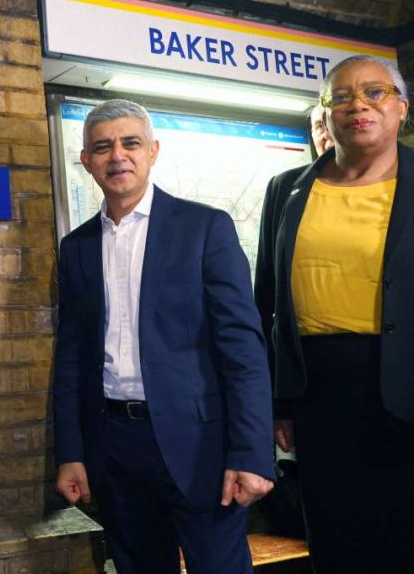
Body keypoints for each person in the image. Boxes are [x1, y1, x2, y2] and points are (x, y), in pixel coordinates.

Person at [54, 99, 273, 574]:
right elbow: (71, 357)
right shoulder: (76, 249)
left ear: (153, 151)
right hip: (114, 447)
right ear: (87, 161)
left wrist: (253, 454)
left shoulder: (204, 228)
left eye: (130, 143)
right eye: (103, 147)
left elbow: (243, 350)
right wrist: (71, 453)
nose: (118, 156)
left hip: (201, 447)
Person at [256, 54, 414, 573]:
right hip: (319, 392)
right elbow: (268, 301)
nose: (358, 105)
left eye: (375, 93)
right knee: (336, 533)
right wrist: (279, 399)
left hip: (403, 377)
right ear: (325, 113)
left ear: (401, 109)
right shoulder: (287, 189)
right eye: (340, 96)